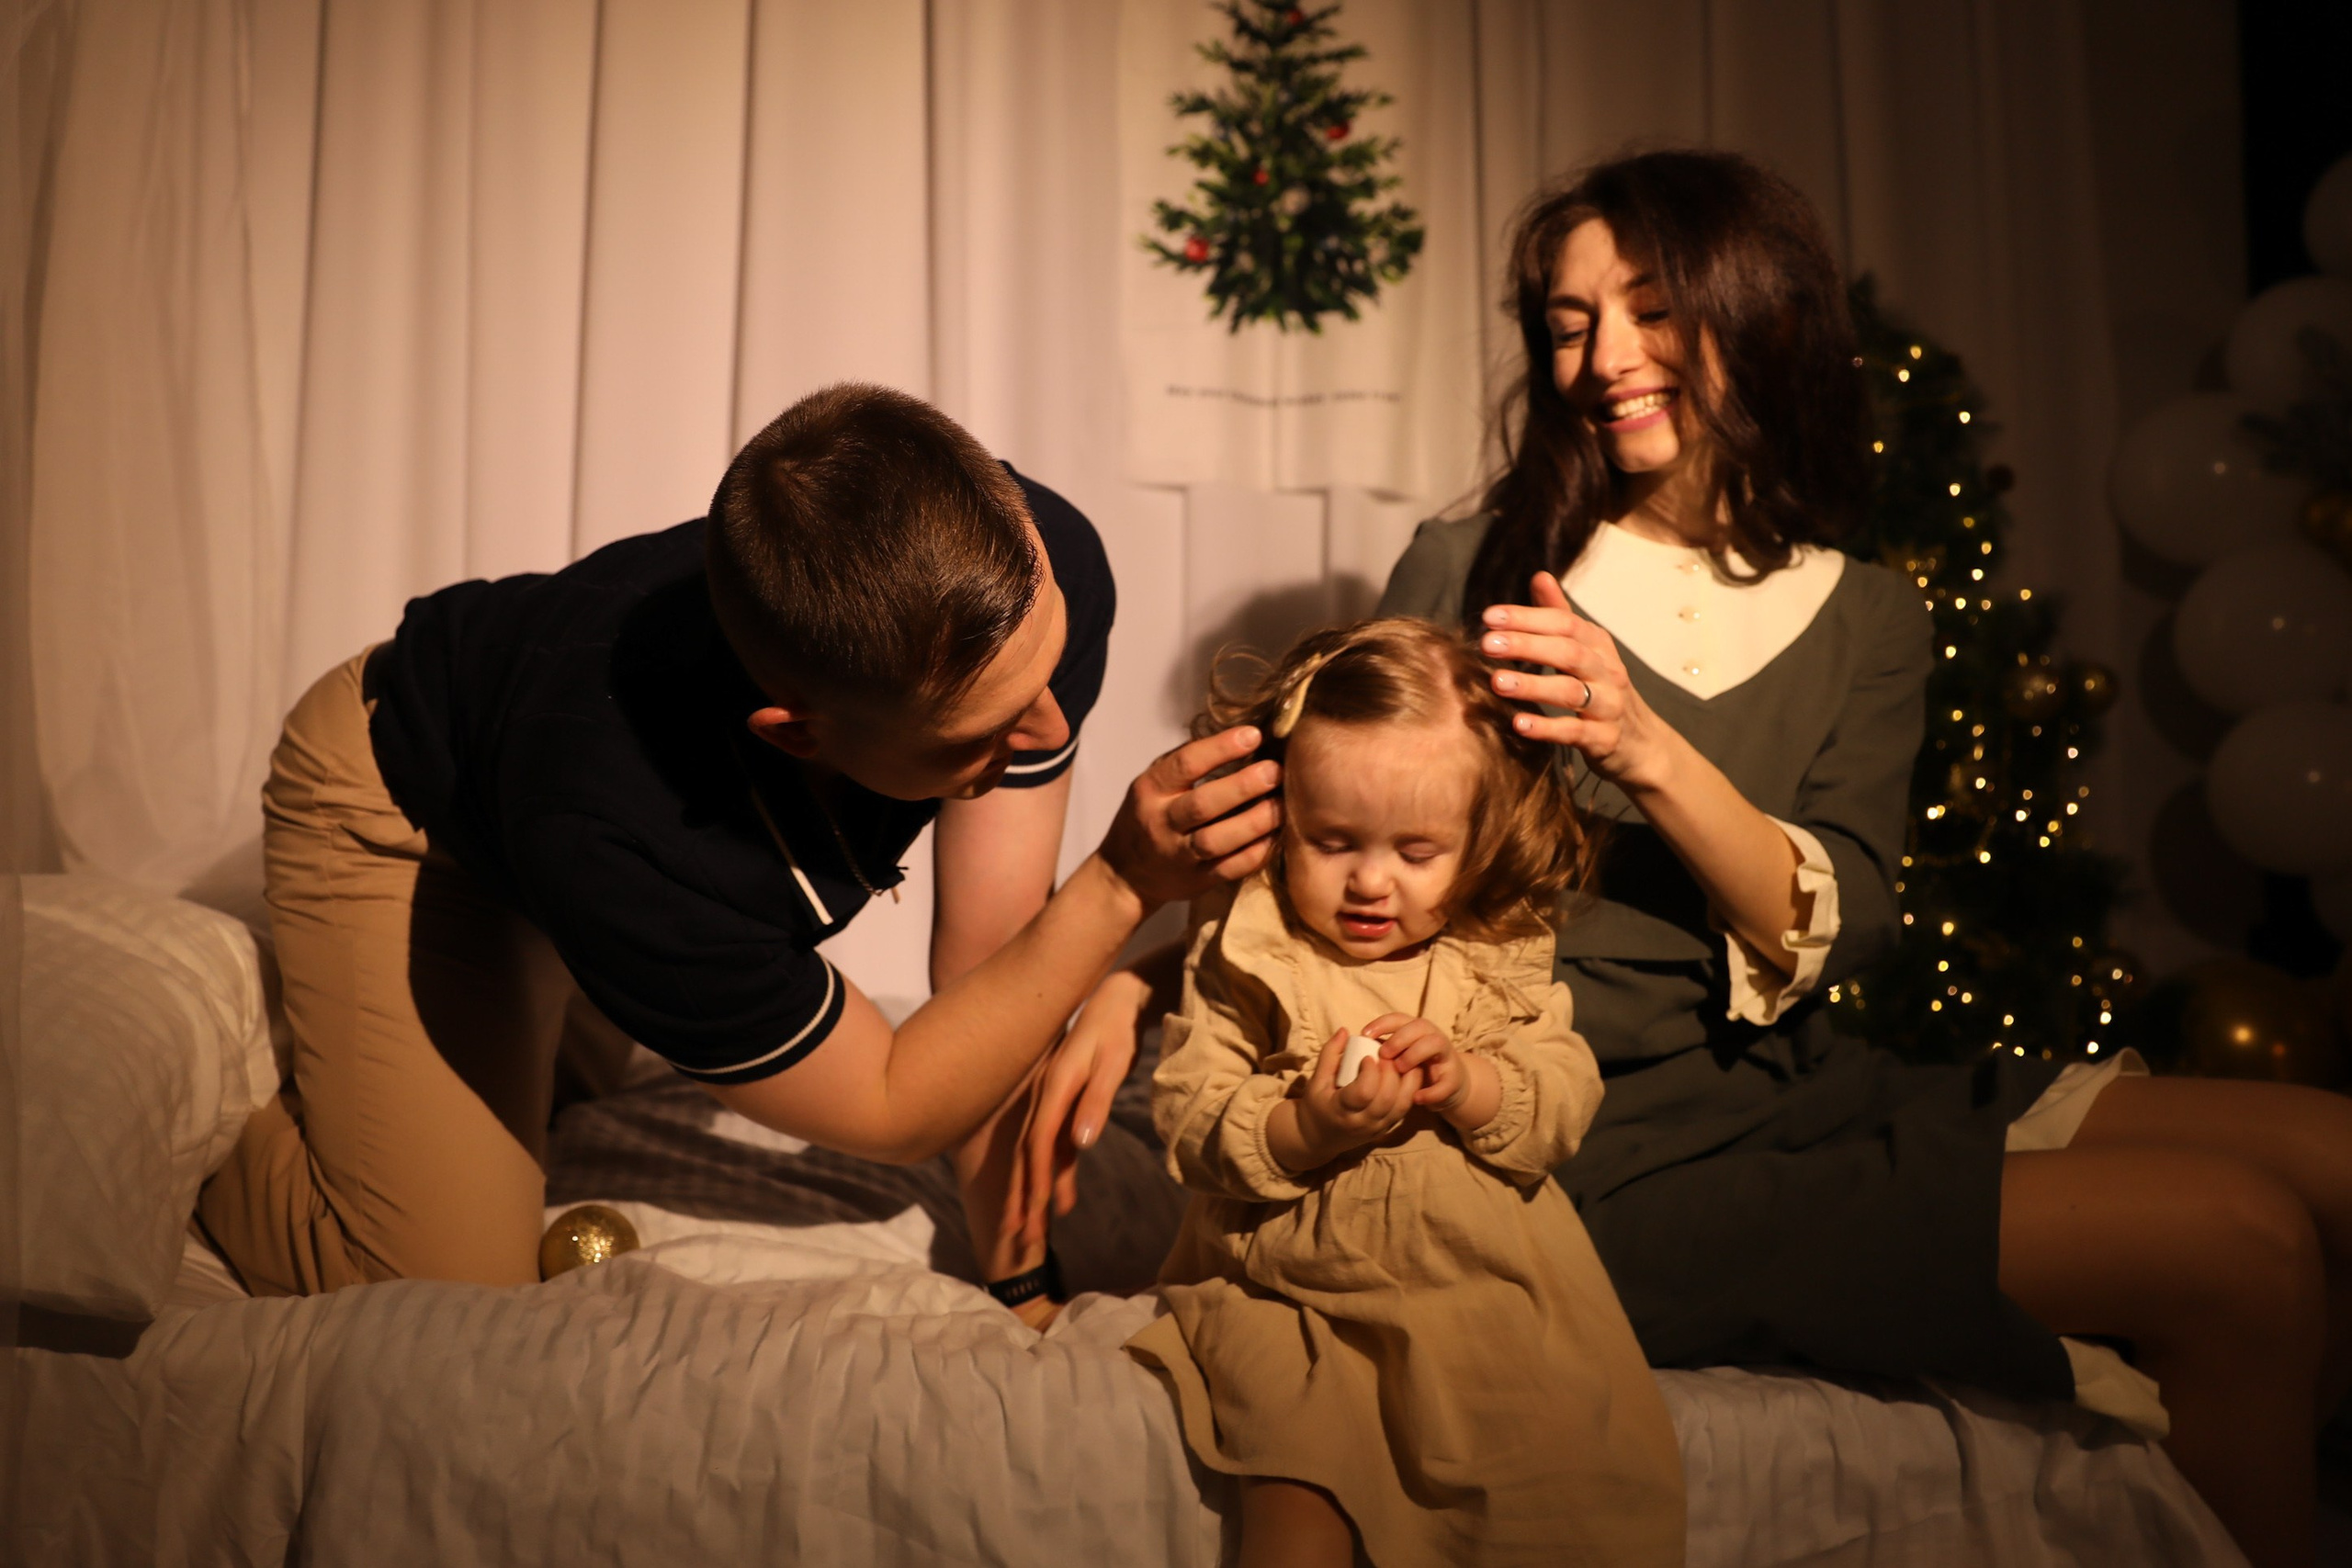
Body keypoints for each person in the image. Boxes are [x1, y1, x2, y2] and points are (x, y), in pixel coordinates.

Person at [1368, 148, 2352, 1568]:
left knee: (2329, 1156)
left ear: (1751, 309)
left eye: (1650, 307)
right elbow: (1311, 838)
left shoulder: (1868, 615)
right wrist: (1124, 970)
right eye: (1570, 320)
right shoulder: (1469, 568)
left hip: (1795, 1083)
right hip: (1587, 1139)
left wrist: (1646, 742)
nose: (1605, 357)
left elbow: (1847, 918)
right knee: (2243, 1247)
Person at [196, 383, 1280, 1316]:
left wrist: (1018, 1283)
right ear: (800, 733)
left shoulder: (1028, 579)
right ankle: (199, 1133)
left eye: (1046, 675)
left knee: (583, 1065)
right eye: (977, 739)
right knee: (445, 1292)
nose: (1048, 732)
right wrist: (1121, 884)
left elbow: (997, 974)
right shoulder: (625, 840)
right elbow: (898, 1104)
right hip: (411, 819)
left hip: (564, 823)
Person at [1124, 619, 1686, 1568]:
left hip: (1475, 1286)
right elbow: (1186, 1112)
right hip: (1289, 1297)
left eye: (1417, 851)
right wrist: (1301, 1129)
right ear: (1284, 816)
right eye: (1332, 842)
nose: (1369, 882)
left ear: (1477, 836)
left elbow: (1559, 1098)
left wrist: (1469, 1084)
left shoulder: (1494, 947)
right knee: (1298, 1503)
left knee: (1572, 1486)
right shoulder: (1256, 950)